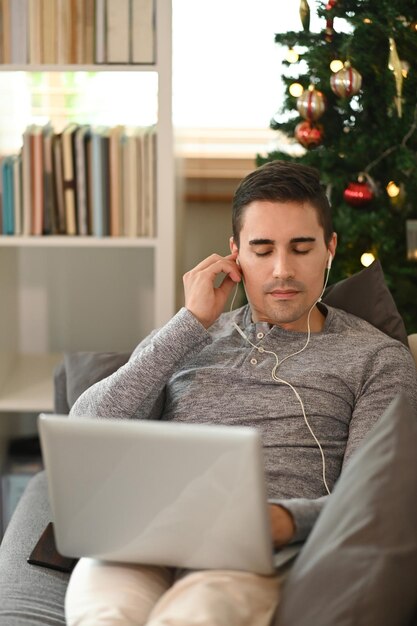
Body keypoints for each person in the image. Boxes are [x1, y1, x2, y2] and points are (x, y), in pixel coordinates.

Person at [65, 160, 417, 626]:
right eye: (262, 248)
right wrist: (189, 322)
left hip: (251, 554)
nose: (282, 270)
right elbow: (85, 432)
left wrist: (281, 520)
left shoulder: (377, 359)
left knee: (193, 615)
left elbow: (371, 498)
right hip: (148, 537)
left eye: (301, 248)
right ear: (234, 254)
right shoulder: (190, 337)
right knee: (103, 614)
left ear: (330, 249)